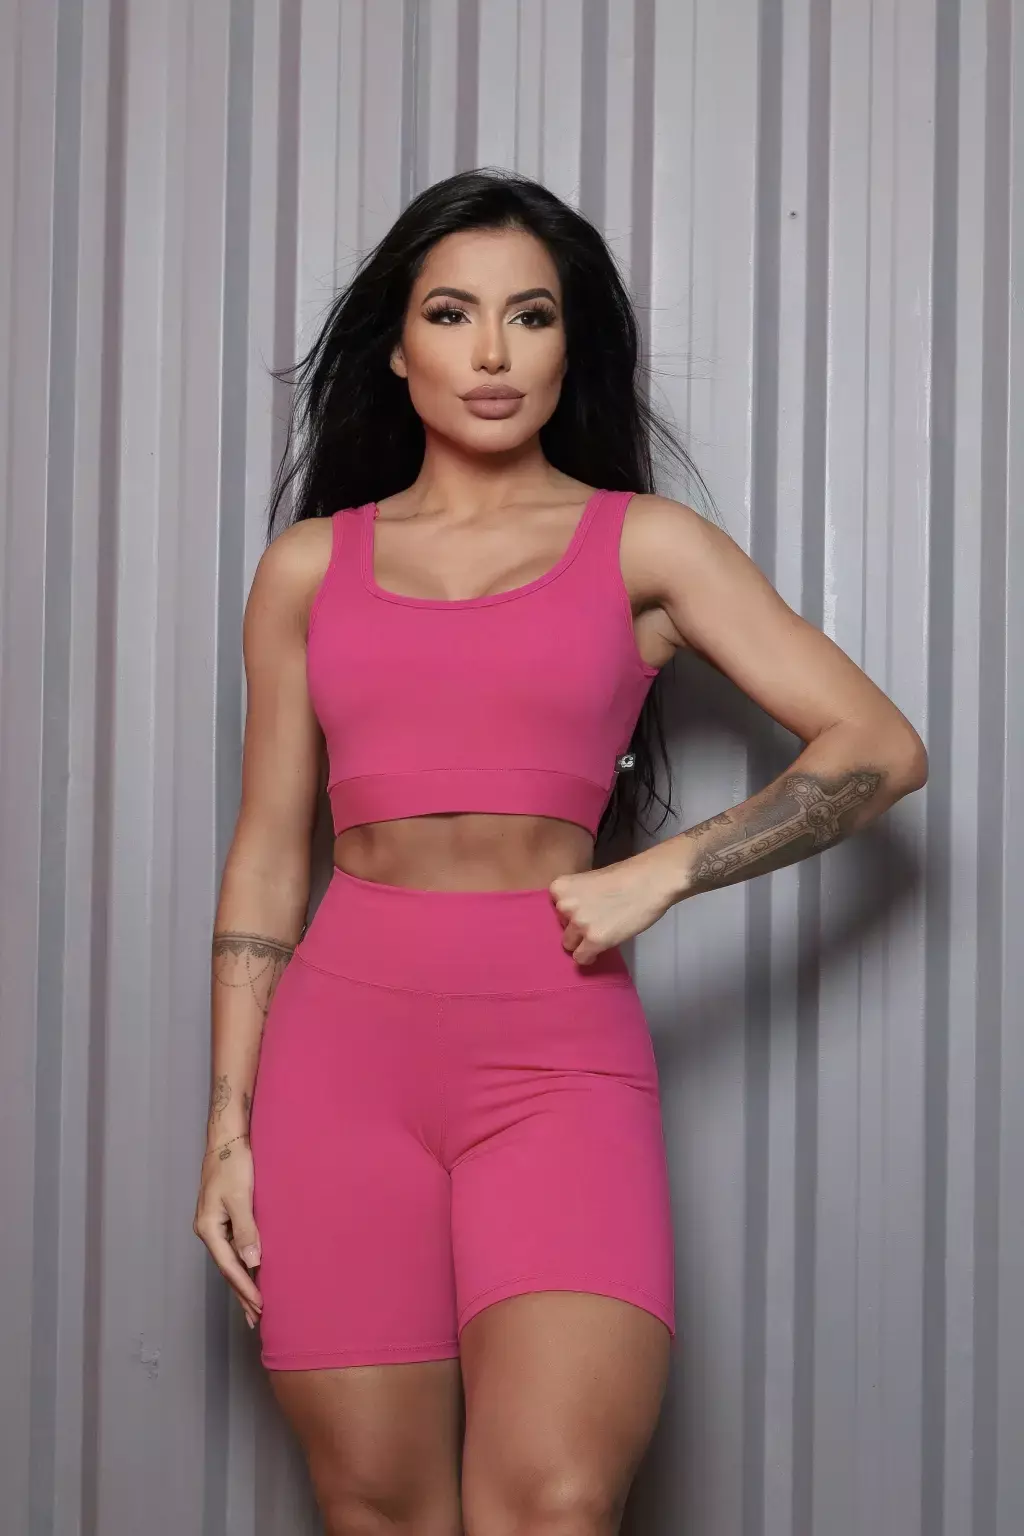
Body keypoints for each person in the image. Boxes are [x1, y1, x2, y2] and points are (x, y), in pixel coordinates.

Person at [193, 167, 928, 1536]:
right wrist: (228, 1128)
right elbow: (267, 865)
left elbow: (879, 744)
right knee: (375, 1506)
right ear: (396, 349)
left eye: (529, 316)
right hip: (338, 1066)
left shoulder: (644, 546)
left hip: (556, 1057)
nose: (491, 352)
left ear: (568, 346)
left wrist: (669, 867)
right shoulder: (308, 569)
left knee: (557, 1502)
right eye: (451, 314)